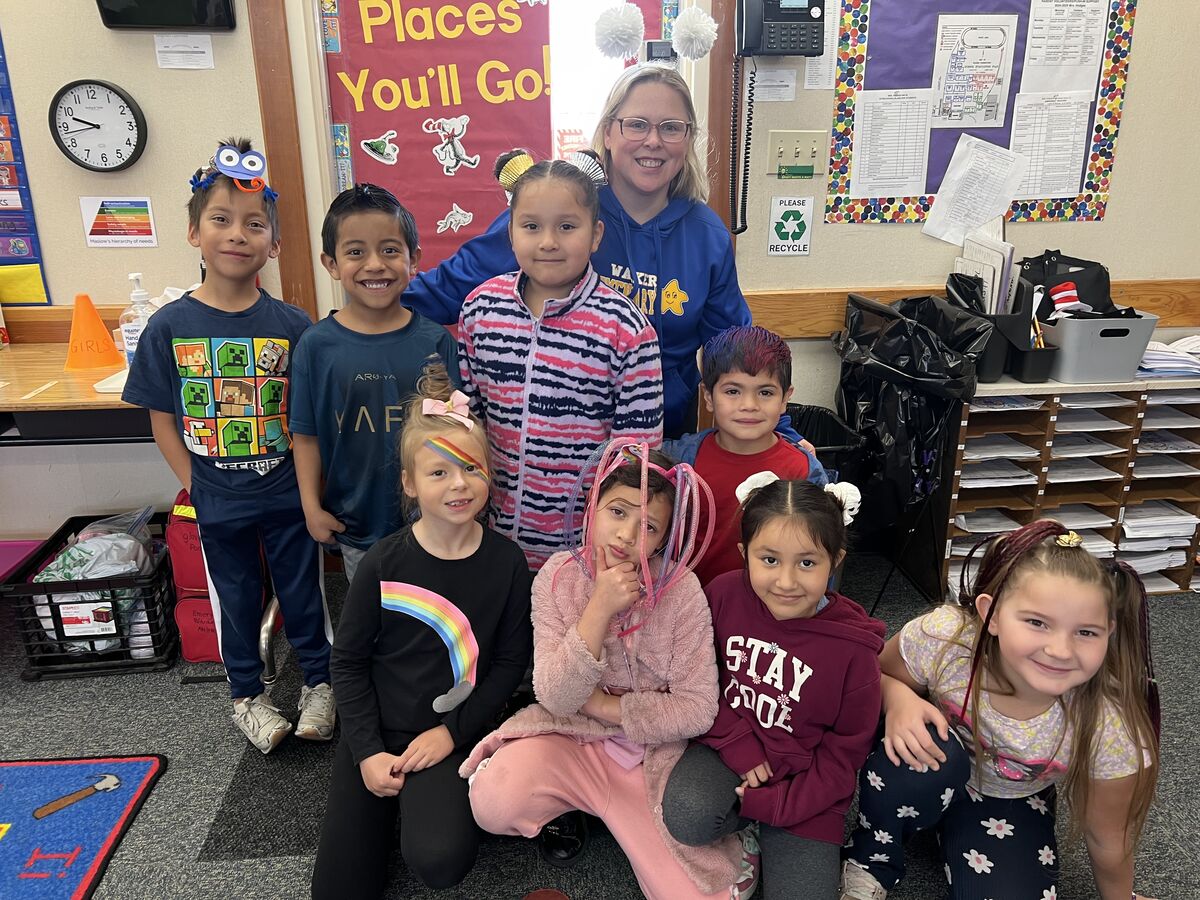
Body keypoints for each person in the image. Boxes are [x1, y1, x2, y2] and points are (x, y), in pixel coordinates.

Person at [461, 441, 751, 899]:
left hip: (652, 761)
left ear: (662, 538)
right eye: (617, 512)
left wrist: (604, 705)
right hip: (573, 739)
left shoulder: (684, 591)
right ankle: (572, 806)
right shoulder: (558, 576)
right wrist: (597, 610)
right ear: (593, 506)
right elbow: (554, 698)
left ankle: (673, 833)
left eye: (648, 526)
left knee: (697, 893)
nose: (626, 535)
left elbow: (697, 710)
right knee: (493, 803)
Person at [122, 138, 335, 753]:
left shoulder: (295, 327)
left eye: (254, 223)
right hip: (217, 495)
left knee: (303, 594)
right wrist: (196, 483)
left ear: (274, 241)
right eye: (220, 220)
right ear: (194, 233)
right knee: (236, 597)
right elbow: (163, 419)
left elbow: (306, 423)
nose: (237, 235)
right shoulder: (169, 326)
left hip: (287, 492)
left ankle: (320, 684)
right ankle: (246, 694)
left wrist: (308, 491)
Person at [404, 64, 750, 438]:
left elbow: (735, 351)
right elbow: (445, 291)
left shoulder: (707, 235)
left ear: (688, 138)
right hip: (545, 437)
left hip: (654, 440)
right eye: (636, 124)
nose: (654, 141)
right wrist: (368, 310)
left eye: (671, 127)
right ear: (608, 132)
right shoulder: (560, 211)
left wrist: (778, 432)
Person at [840, 521, 1161, 900]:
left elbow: (1108, 834)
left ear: (1109, 631)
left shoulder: (1111, 725)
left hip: (1007, 801)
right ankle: (871, 857)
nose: (1060, 649)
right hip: (928, 765)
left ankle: (955, 832)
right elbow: (868, 678)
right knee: (916, 764)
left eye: (1086, 632)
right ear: (990, 615)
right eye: (1037, 622)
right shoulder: (946, 638)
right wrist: (899, 699)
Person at [311, 364, 533, 898]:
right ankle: (385, 807)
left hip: (450, 730)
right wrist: (365, 751)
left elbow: (508, 664)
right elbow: (348, 663)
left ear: (488, 475)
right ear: (410, 483)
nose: (459, 484)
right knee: (338, 891)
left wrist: (453, 734)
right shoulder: (383, 563)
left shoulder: (508, 563)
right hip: (378, 730)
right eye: (439, 473)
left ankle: (415, 810)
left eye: (471, 470)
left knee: (439, 863)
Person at [663, 475, 883, 899]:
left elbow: (844, 757)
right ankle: (744, 829)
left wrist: (777, 806)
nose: (785, 582)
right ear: (745, 554)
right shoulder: (722, 594)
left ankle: (757, 822)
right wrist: (738, 743)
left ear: (834, 561)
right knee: (687, 816)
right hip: (728, 752)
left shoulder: (855, 651)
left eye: (806, 563)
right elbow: (697, 679)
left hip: (806, 790)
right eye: (769, 560)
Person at [457, 149, 662, 570]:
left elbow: (636, 458)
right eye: (531, 226)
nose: (548, 241)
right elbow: (468, 423)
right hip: (490, 540)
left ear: (596, 234)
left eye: (567, 226)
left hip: (581, 552)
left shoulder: (625, 328)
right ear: (511, 232)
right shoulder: (480, 310)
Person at [290, 183, 459, 584]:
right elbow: (306, 436)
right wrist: (311, 508)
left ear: (413, 259)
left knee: (433, 618)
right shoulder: (316, 346)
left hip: (432, 520)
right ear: (330, 263)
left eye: (389, 249)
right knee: (372, 623)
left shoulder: (435, 341)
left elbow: (454, 435)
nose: (374, 264)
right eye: (355, 252)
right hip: (355, 525)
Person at [664, 326, 827, 587]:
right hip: (687, 603)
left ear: (785, 399)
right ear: (708, 396)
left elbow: (818, 552)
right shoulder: (679, 459)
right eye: (732, 391)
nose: (749, 405)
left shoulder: (803, 469)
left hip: (765, 608)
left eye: (765, 392)